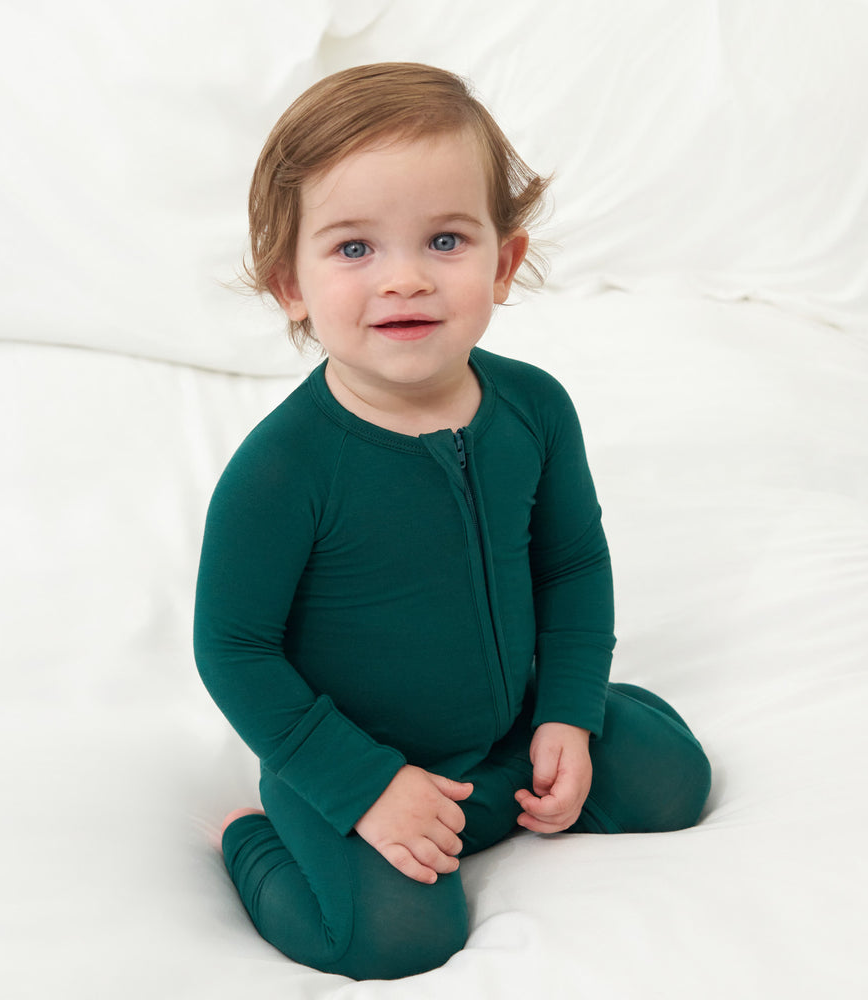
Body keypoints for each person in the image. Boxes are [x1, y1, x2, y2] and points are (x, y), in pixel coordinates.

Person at [193, 62, 711, 981]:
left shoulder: (534, 409)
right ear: (290, 285)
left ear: (503, 263)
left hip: (510, 740)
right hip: (360, 764)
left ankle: (563, 742)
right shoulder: (282, 469)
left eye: (444, 240)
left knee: (675, 780)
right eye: (354, 249)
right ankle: (252, 840)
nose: (404, 281)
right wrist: (364, 787)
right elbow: (233, 648)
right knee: (393, 942)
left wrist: (567, 712)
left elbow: (571, 567)